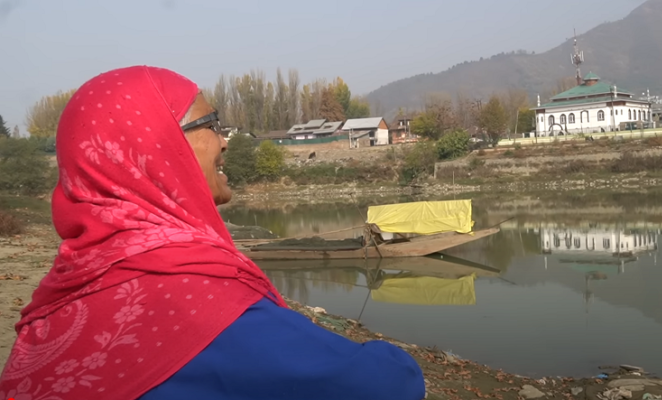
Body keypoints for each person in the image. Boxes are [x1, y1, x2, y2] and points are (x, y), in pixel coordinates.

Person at [0, 66, 425, 400]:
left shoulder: (56, 304)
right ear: (157, 148)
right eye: (212, 123)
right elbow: (384, 386)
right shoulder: (194, 298)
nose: (225, 142)